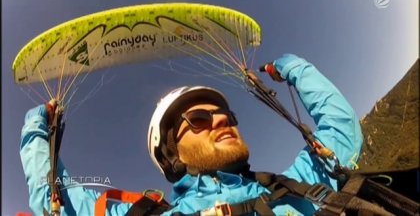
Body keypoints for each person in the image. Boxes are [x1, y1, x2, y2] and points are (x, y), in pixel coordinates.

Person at [20, 54, 363, 215]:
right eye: (199, 118)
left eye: (225, 115)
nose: (222, 122)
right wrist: (39, 128)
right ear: (172, 154)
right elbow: (58, 201)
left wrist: (291, 67)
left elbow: (340, 129)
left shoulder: (294, 188)